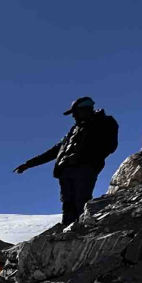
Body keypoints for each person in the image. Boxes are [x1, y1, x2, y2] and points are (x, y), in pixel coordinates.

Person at [15, 97, 119, 227]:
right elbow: (54, 151)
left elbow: (110, 145)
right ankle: (67, 228)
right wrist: (29, 164)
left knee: (81, 200)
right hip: (65, 171)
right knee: (67, 203)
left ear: (85, 110)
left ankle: (83, 228)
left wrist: (91, 158)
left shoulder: (104, 122)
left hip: (85, 168)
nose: (74, 117)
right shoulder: (73, 131)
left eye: (75, 113)